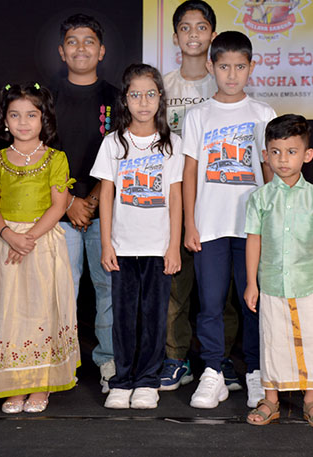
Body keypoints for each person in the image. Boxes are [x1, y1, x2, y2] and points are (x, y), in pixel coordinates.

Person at [0, 82, 80, 414]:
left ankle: (41, 384)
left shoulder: (56, 159)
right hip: (6, 242)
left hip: (42, 243)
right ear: (4, 120)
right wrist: (9, 235)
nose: (23, 122)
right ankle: (13, 385)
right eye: (15, 115)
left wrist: (28, 238)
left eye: (31, 115)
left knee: (42, 311)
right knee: (10, 312)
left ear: (44, 118)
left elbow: (58, 206)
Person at [182, 30, 277, 409]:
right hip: (210, 226)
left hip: (252, 229)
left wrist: (272, 221)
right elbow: (190, 172)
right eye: (224, 67)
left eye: (240, 66)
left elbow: (270, 170)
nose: (232, 74)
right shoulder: (198, 115)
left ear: (251, 67)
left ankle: (255, 371)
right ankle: (213, 373)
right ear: (211, 66)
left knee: (252, 302)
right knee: (209, 304)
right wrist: (190, 223)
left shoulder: (263, 113)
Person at [91, 64, 183, 409]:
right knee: (124, 317)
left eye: (150, 94)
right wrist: (106, 244)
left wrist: (173, 246)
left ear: (160, 98)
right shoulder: (113, 143)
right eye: (135, 95)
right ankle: (123, 379)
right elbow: (106, 195)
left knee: (154, 316)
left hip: (158, 247)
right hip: (123, 246)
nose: (143, 102)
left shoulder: (172, 144)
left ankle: (147, 380)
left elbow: (175, 198)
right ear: (125, 100)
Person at [160, 0, 241, 393]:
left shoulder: (226, 81)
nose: (193, 34)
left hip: (216, 205)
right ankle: (176, 358)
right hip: (170, 201)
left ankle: (219, 358)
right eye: (185, 27)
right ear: (175, 36)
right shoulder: (162, 86)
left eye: (201, 27)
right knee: (176, 288)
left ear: (213, 35)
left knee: (220, 293)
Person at [244, 114, 313, 428]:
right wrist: (251, 283)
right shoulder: (259, 199)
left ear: (307, 155)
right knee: (272, 340)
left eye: (291, 151)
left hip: (308, 283)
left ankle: (311, 400)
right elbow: (254, 241)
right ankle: (270, 400)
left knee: (310, 340)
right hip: (271, 283)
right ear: (265, 155)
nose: (283, 159)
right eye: (276, 152)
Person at [54, 13, 120, 392]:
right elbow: (39, 155)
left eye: (89, 41)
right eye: (73, 42)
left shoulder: (116, 98)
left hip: (104, 210)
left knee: (107, 287)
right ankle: (59, 364)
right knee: (62, 290)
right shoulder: (46, 98)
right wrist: (68, 203)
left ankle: (109, 362)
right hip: (57, 211)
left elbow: (123, 154)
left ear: (102, 50)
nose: (81, 48)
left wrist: (91, 200)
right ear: (62, 51)